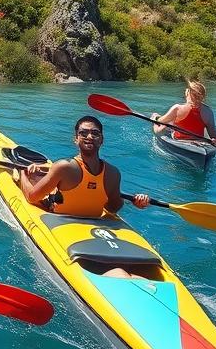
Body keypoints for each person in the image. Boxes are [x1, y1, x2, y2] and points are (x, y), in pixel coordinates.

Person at [17, 116, 150, 279]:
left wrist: (23, 173)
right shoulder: (105, 172)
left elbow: (31, 197)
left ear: (102, 140)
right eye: (84, 133)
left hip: (65, 223)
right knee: (121, 272)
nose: (89, 136)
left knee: (118, 273)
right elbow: (112, 208)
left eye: (95, 133)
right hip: (93, 226)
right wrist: (131, 201)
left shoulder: (106, 172)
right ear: (76, 139)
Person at [152, 79, 216, 143]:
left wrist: (155, 118)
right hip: (199, 142)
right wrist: (215, 140)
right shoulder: (208, 111)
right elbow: (213, 135)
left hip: (179, 140)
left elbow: (161, 121)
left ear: (188, 92)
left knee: (159, 128)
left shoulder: (177, 108)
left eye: (187, 89)